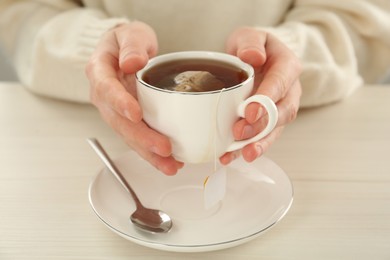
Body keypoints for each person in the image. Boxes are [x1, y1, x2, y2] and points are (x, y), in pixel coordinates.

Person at [1, 1, 389, 175]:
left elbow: (365, 22)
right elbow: (18, 14)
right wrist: (95, 48)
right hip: (59, 152)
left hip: (314, 150)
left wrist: (286, 61)